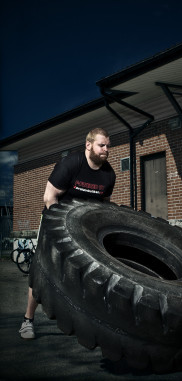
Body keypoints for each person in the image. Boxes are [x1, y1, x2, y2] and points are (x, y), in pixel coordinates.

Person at [19, 128, 116, 339]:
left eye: (108, 145)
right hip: (55, 221)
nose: (106, 149)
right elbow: (49, 197)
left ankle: (88, 321)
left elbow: (104, 207)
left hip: (84, 228)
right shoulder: (72, 163)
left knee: (89, 273)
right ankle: (28, 320)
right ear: (88, 145)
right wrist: (60, 231)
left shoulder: (108, 175)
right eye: (102, 145)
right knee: (42, 270)